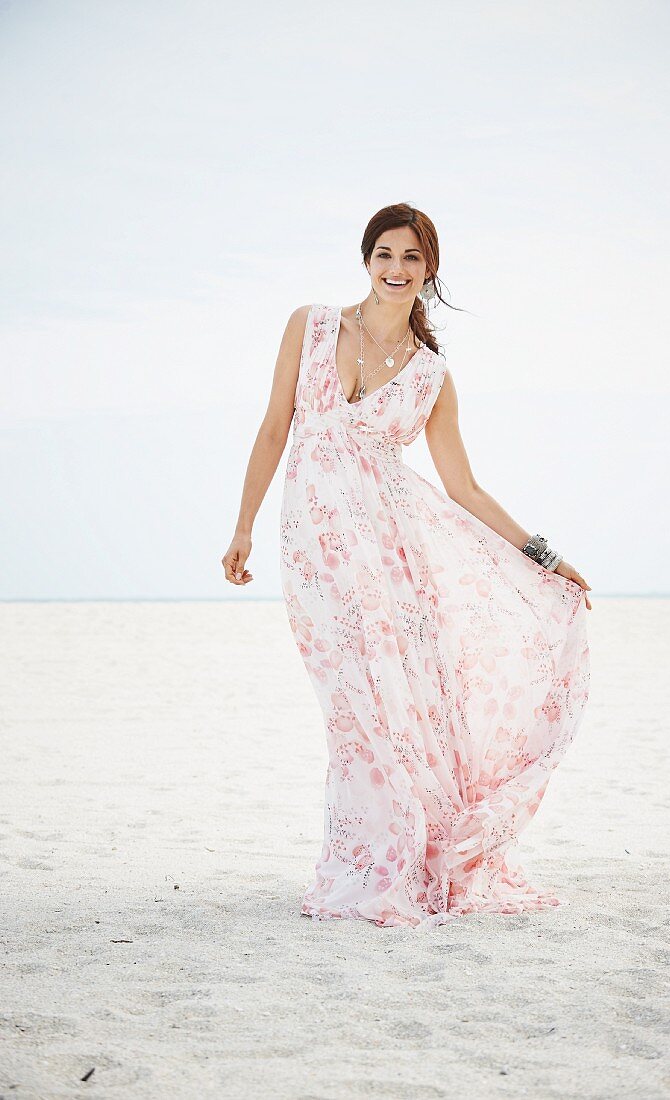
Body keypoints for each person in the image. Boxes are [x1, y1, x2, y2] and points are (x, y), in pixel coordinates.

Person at [222, 202, 592, 929]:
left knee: (405, 702)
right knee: (352, 703)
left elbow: (464, 488)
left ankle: (403, 857)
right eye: (384, 254)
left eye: (411, 259)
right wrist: (244, 527)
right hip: (317, 547)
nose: (396, 270)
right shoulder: (312, 325)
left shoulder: (430, 375)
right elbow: (274, 428)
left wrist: (544, 557)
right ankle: (368, 855)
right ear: (365, 260)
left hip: (395, 552)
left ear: (430, 270)